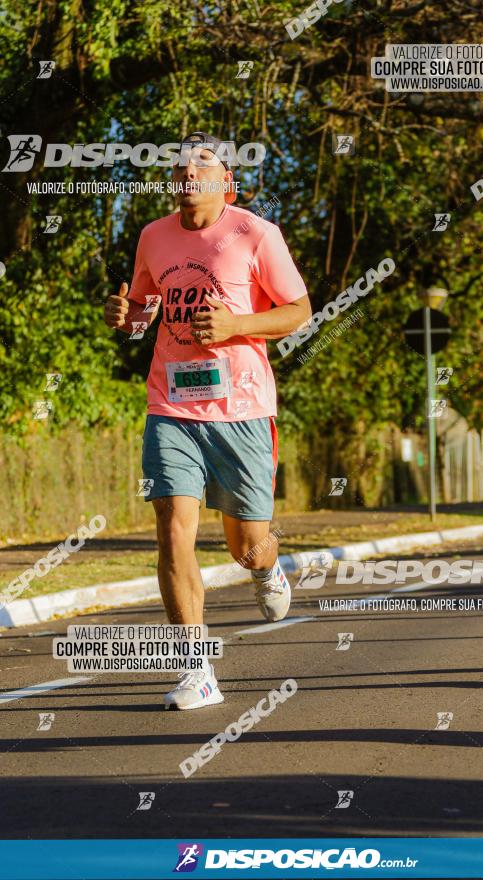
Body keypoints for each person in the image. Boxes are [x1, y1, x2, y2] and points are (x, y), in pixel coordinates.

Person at [103, 132, 311, 707]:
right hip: (170, 404)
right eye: (181, 163)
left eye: (204, 161)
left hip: (242, 408)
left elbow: (300, 310)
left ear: (229, 182)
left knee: (245, 544)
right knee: (172, 529)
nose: (188, 168)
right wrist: (126, 316)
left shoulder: (255, 233)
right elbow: (145, 309)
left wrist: (237, 326)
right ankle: (195, 668)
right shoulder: (153, 237)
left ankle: (267, 569)